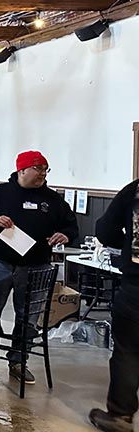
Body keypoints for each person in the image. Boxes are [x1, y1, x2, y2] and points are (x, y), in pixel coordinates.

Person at [0, 150, 77, 384]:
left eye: (45, 170)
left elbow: (72, 228)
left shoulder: (53, 200)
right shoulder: (0, 193)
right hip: (0, 262)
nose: (42, 174)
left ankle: (18, 361)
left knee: (28, 316)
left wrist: (65, 235)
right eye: (38, 169)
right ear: (22, 170)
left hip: (36, 266)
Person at [90, 178, 139, 432]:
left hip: (136, 286)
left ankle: (120, 417)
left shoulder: (135, 190)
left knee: (128, 352)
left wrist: (129, 244)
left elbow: (106, 230)